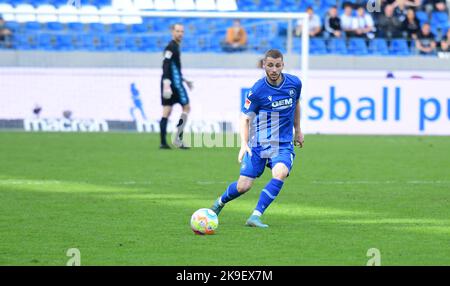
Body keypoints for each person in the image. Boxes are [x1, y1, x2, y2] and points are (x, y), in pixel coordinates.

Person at [210, 49, 304, 228]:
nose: (274, 69)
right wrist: (243, 144)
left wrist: (298, 130)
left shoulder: (295, 84)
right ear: (264, 66)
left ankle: (255, 216)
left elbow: (296, 103)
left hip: (282, 144)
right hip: (259, 144)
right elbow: (245, 118)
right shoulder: (257, 90)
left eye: (277, 65)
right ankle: (218, 204)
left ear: (283, 65)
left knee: (280, 173)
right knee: (243, 186)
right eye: (270, 65)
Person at [160, 24, 193, 149]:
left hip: (172, 82)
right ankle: (178, 139)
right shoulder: (170, 47)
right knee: (186, 107)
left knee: (167, 111)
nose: (180, 33)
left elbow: (174, 68)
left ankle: (163, 143)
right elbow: (166, 64)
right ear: (172, 32)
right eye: (178, 31)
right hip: (174, 85)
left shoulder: (174, 47)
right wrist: (167, 83)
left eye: (182, 31)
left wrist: (185, 80)